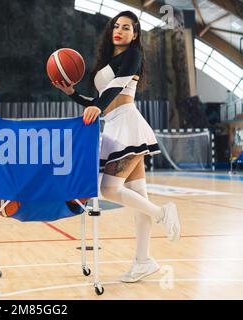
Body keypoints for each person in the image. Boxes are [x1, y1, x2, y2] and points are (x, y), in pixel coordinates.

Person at [52, 11, 181, 283]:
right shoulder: (107, 63)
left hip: (128, 126)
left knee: (108, 189)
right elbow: (99, 99)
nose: (119, 31)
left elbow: (117, 89)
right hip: (113, 126)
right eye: (116, 26)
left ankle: (162, 213)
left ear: (135, 34)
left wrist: (97, 106)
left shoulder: (133, 56)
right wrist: (73, 94)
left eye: (126, 27)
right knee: (138, 196)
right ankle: (143, 261)